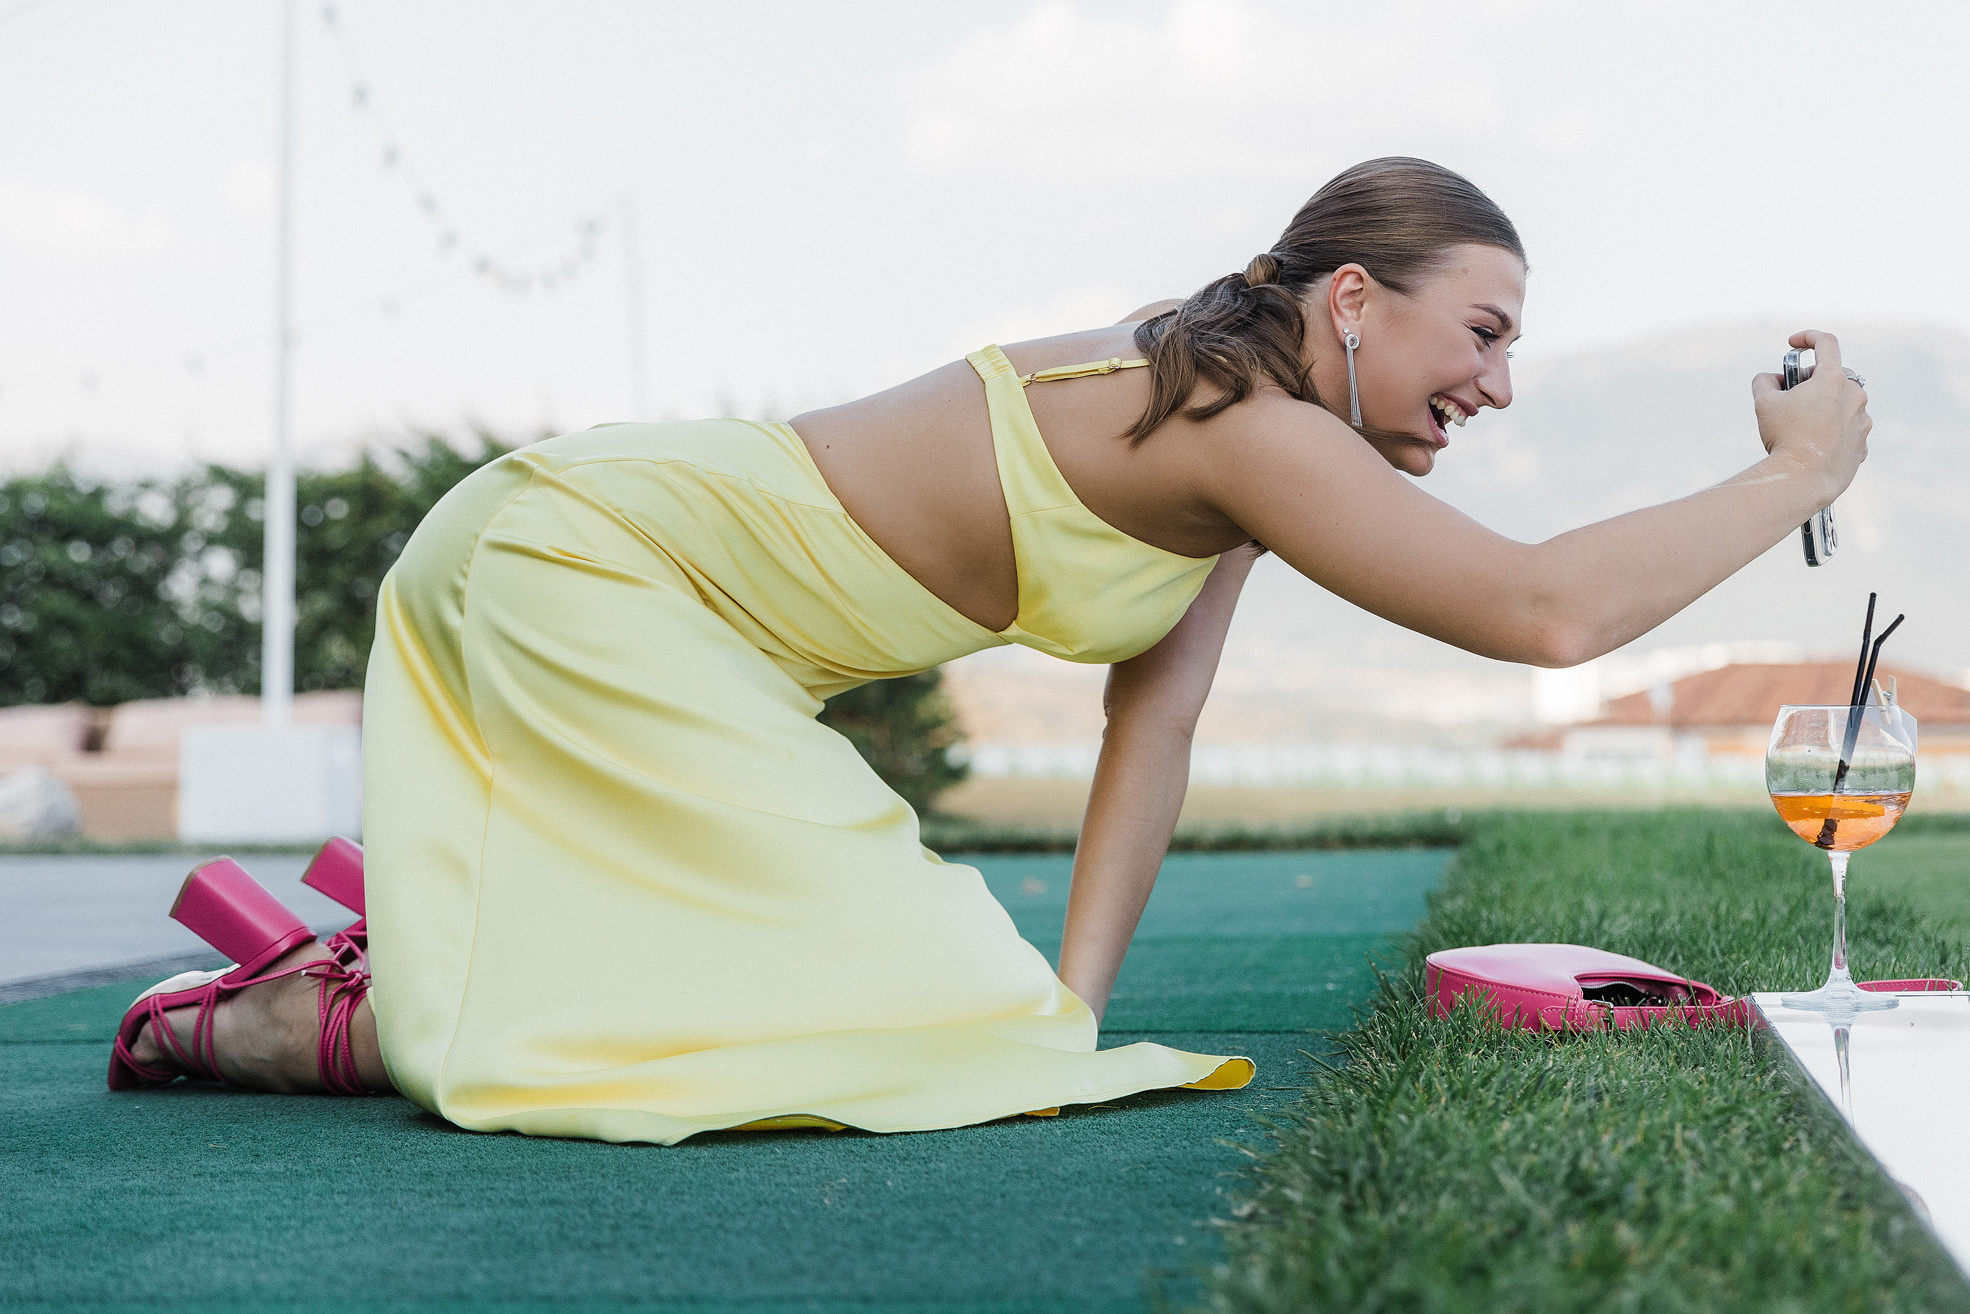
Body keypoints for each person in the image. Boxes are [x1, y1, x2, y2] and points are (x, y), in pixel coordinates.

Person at [107, 156, 1870, 1142]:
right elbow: (1539, 613)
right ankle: (297, 1018)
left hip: (654, 618)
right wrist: (1795, 471)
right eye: (1479, 331)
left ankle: (395, 965)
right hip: (584, 556)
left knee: (965, 1019)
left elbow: (1150, 732)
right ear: (1352, 297)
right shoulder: (1242, 421)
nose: (1496, 380)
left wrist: (1066, 1014)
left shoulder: (1256, 447)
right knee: (895, 1002)